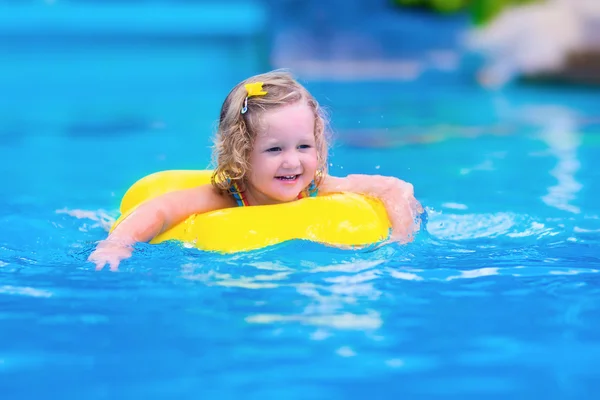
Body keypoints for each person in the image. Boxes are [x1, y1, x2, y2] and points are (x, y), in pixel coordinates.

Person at [89, 70, 423, 271]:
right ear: (242, 153)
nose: (292, 162)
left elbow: (392, 188)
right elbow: (160, 209)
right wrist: (118, 243)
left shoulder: (319, 186)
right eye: (275, 149)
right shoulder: (229, 193)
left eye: (303, 147)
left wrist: (402, 241)